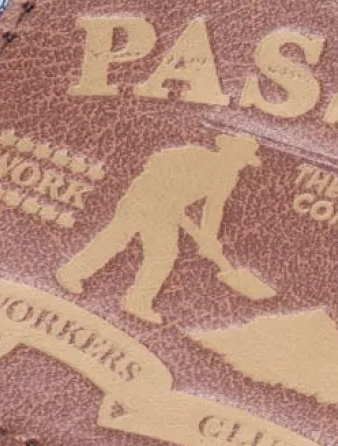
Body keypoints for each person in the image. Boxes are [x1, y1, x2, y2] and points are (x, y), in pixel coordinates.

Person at [56, 132, 271, 323]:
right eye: (239, 159)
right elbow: (155, 161)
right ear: (228, 153)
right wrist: (165, 192)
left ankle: (137, 302)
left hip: (167, 212)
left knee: (164, 254)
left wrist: (209, 238)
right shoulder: (192, 155)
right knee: (115, 238)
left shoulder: (227, 176)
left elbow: (214, 208)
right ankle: (71, 274)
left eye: (243, 161)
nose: (240, 165)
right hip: (142, 199)